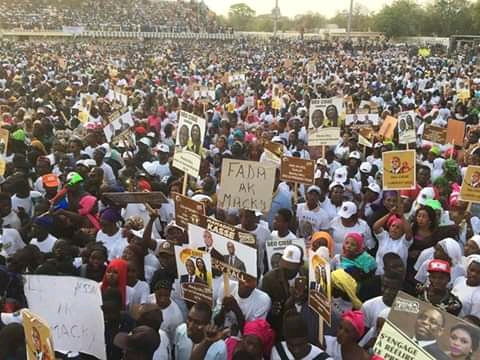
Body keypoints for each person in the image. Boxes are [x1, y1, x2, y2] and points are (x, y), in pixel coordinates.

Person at [261, 245, 304, 339]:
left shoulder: (308, 276)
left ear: (301, 264)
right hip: (280, 329)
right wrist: (270, 309)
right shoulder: (269, 279)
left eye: (291, 268)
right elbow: (263, 308)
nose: (286, 271)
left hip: (302, 327)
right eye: (284, 267)